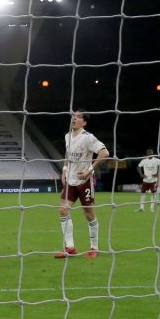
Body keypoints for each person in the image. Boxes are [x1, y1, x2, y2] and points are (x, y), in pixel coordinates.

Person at [57, 110, 109, 259]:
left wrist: (89, 169)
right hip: (71, 181)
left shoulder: (88, 138)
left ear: (84, 122)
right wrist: (65, 169)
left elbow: (104, 152)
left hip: (85, 182)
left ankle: (94, 247)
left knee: (89, 214)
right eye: (74, 116)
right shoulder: (67, 136)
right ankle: (70, 247)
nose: (74, 118)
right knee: (63, 210)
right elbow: (67, 153)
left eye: (78, 117)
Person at [137, 148, 160, 212]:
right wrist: (141, 174)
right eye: (148, 152)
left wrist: (158, 174)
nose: (149, 153)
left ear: (152, 153)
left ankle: (152, 208)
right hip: (145, 180)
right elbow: (138, 167)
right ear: (147, 153)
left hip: (153, 180)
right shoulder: (144, 160)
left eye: (150, 152)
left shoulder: (157, 160)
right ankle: (141, 208)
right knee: (143, 193)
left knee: (153, 194)